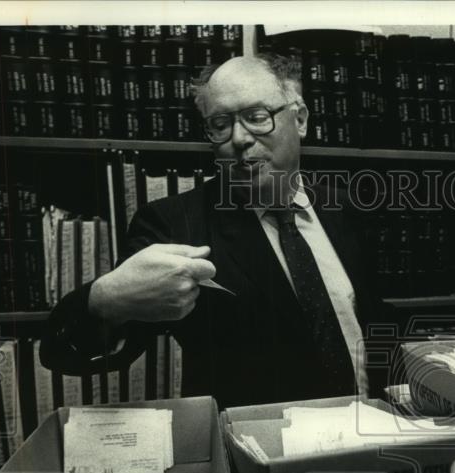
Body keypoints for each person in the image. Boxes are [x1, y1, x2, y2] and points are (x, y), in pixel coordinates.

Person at [41, 54, 388, 408]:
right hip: (254, 454)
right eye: (220, 124)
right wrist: (105, 301)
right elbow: (62, 353)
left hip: (367, 437)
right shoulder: (173, 224)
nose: (238, 138)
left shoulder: (345, 209)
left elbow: (371, 324)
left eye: (256, 117)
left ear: (299, 119)